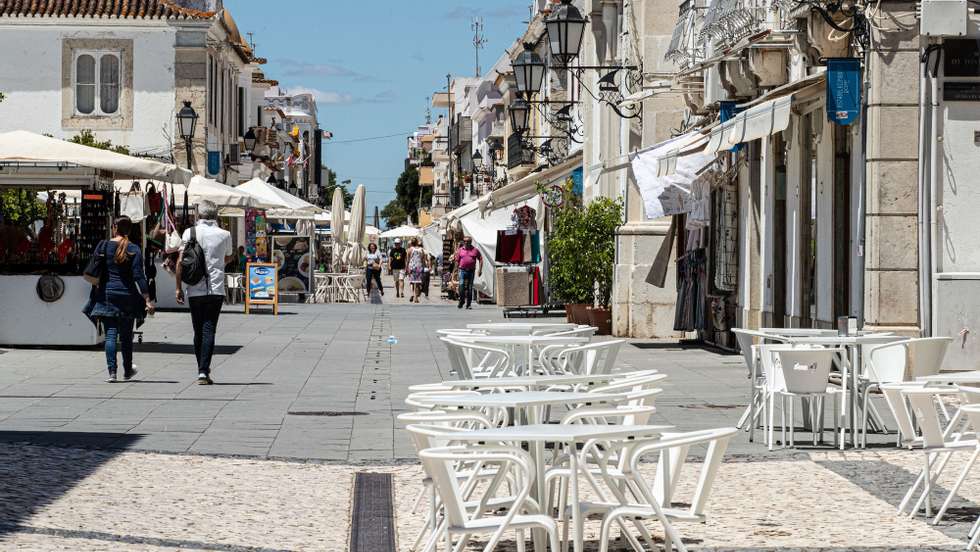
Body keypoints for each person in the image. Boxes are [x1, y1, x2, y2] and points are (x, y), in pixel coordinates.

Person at [83, 216, 155, 382]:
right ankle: (127, 370)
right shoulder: (134, 248)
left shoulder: (104, 245)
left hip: (107, 294)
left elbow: (93, 269)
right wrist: (147, 298)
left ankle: (112, 372)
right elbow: (139, 276)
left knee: (110, 334)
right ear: (129, 230)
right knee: (126, 336)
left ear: (114, 227)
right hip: (128, 296)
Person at [175, 200, 234, 385]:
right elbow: (229, 256)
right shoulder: (225, 234)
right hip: (216, 288)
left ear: (199, 214)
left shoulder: (189, 232)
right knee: (209, 329)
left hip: (194, 288)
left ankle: (201, 368)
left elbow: (179, 261)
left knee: (197, 330)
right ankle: (203, 371)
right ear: (215, 215)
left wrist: (178, 287)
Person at [453, 236, 483, 309]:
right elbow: (457, 261)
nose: (466, 242)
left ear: (471, 242)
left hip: (471, 271)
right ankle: (462, 300)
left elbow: (481, 259)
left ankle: (468, 304)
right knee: (461, 285)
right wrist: (455, 271)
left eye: (468, 241)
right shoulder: (460, 250)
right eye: (465, 241)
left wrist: (480, 270)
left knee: (470, 288)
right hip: (462, 270)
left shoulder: (475, 250)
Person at [406, 238, 429, 303]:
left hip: (411, 267)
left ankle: (413, 294)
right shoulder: (421, 249)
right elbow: (423, 260)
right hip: (419, 267)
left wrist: (406, 268)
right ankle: (416, 297)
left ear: (411, 243)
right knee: (417, 283)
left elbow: (408, 260)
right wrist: (424, 267)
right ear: (417, 243)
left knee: (412, 282)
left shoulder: (409, 250)